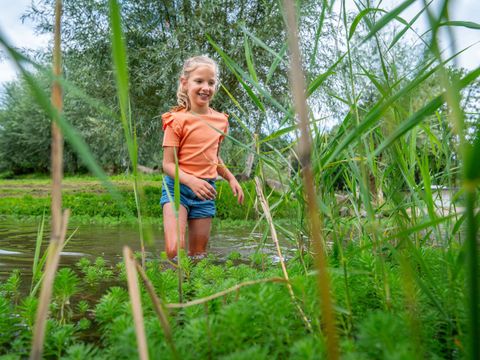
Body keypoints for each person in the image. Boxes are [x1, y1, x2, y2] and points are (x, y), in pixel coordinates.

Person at [160, 55, 244, 259]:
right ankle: (171, 289)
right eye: (199, 81)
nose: (205, 87)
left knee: (198, 255)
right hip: (177, 189)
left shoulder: (220, 121)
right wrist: (191, 181)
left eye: (211, 82)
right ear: (185, 83)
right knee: (174, 252)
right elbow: (167, 165)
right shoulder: (176, 120)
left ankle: (195, 291)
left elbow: (213, 159)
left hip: (205, 192)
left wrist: (231, 177)